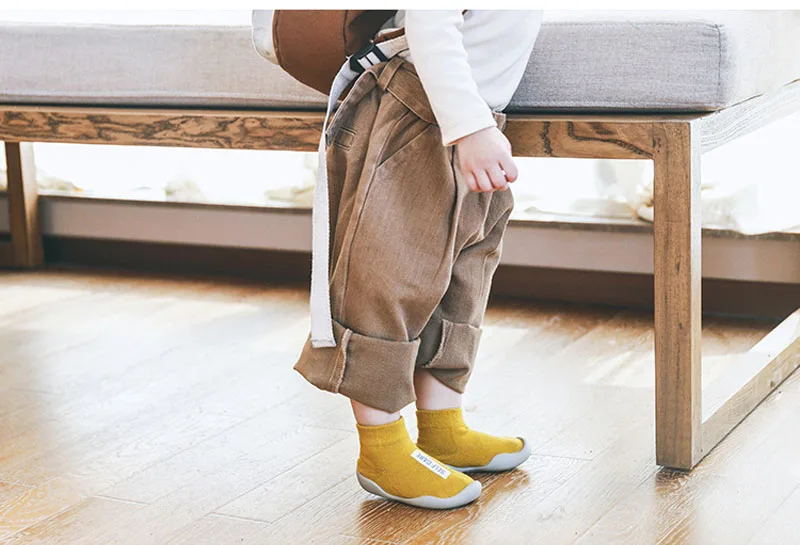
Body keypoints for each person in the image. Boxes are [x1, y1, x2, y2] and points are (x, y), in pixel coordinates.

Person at [294, 10, 543, 509]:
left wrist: (477, 126)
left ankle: (442, 427)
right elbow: (432, 24)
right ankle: (382, 449)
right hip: (418, 110)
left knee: (462, 277)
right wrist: (470, 128)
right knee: (387, 273)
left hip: (471, 120)